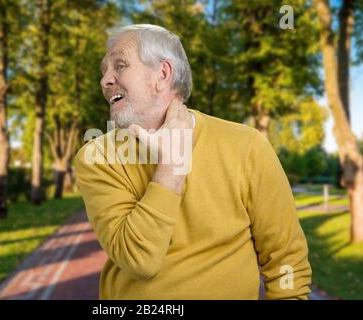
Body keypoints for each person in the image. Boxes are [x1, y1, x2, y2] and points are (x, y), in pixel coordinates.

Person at [74, 24, 312, 299]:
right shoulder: (96, 157)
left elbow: (285, 257)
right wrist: (172, 167)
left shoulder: (247, 145)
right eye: (104, 71)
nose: (105, 80)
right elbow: (139, 259)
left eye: (120, 65)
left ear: (162, 74)